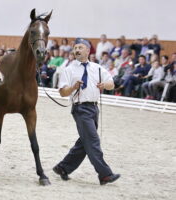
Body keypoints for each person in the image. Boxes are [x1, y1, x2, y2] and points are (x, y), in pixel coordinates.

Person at [53, 38, 120, 185]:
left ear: (88, 51)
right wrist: (73, 87)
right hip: (80, 108)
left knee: (85, 142)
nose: (77, 50)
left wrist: (104, 84)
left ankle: (63, 167)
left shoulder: (97, 68)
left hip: (94, 108)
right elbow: (63, 92)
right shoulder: (69, 70)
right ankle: (105, 174)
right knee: (93, 141)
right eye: (75, 47)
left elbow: (111, 84)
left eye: (80, 47)